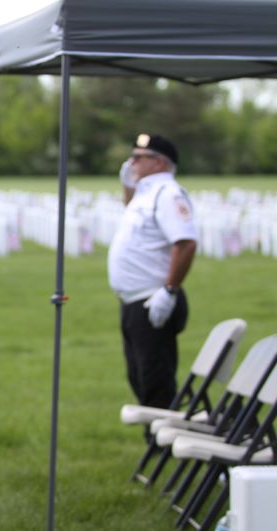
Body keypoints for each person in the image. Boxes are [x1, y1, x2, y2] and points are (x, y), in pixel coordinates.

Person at [108, 133, 198, 412]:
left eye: (138, 157)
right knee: (139, 375)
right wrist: (127, 184)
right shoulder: (147, 193)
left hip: (153, 299)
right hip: (134, 300)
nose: (131, 162)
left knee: (155, 380)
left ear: (159, 162)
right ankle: (155, 433)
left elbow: (185, 243)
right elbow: (132, 212)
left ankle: (162, 435)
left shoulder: (168, 194)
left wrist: (169, 290)